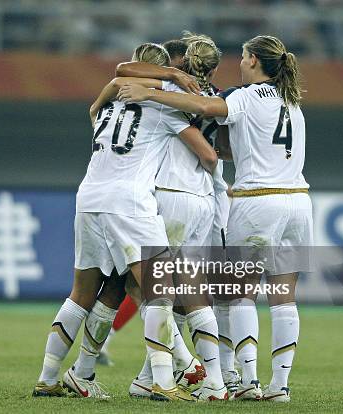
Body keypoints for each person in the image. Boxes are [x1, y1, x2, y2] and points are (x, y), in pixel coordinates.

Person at [118, 35, 312, 403]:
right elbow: (231, 147)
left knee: (238, 297)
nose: (239, 62)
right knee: (285, 300)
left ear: (253, 59)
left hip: (258, 202)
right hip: (299, 203)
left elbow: (204, 107)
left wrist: (153, 94)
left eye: (242, 55)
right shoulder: (291, 101)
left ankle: (249, 381)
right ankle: (280, 388)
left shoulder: (244, 96)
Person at [32, 43, 198, 402]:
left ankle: (48, 377)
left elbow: (98, 99)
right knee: (160, 291)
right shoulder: (164, 109)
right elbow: (200, 138)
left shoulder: (106, 109)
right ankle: (163, 381)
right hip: (131, 203)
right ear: (159, 72)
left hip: (89, 198)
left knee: (82, 293)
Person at [115, 33, 229, 401]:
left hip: (168, 194)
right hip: (204, 199)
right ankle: (151, 377)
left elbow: (123, 71)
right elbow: (219, 152)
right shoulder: (217, 98)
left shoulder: (166, 89)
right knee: (184, 291)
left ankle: (203, 374)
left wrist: (167, 77)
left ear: (183, 61)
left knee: (149, 288)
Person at [96, 37, 190, 369]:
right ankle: (182, 365)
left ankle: (79, 368)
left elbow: (115, 81)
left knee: (128, 286)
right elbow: (206, 150)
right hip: (149, 200)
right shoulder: (165, 101)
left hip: (111, 197)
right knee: (156, 286)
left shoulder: (117, 100)